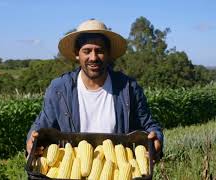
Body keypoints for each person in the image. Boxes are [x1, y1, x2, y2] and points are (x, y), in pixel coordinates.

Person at [26, 19, 163, 160]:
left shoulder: (128, 88)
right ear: (77, 53)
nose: (93, 57)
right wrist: (32, 140)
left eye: (99, 51)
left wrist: (155, 137)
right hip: (73, 170)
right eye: (87, 51)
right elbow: (41, 126)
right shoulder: (59, 89)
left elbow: (148, 124)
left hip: (116, 170)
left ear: (108, 53)